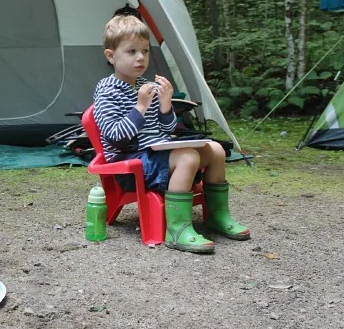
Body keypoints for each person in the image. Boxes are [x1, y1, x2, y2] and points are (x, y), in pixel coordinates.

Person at [93, 14, 249, 253]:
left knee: (216, 151)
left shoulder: (145, 87)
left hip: (156, 155)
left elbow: (165, 131)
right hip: (129, 165)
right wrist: (140, 107)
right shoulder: (107, 91)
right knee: (188, 157)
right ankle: (177, 229)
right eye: (131, 51)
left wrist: (165, 106)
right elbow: (114, 137)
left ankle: (217, 216)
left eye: (145, 51)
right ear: (111, 56)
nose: (140, 58)